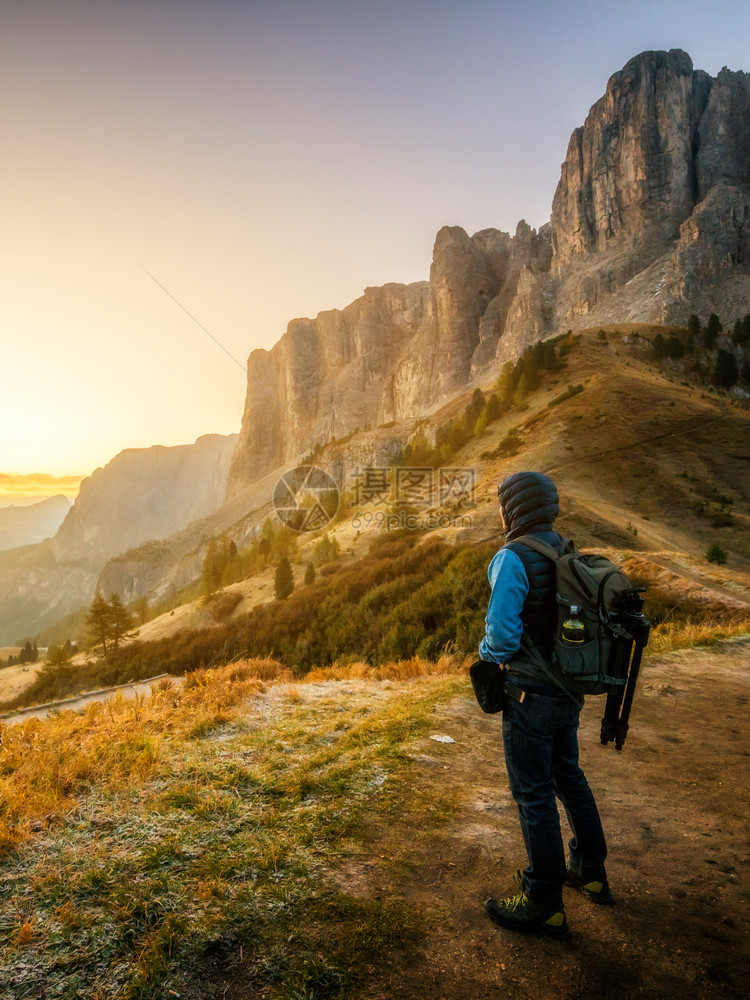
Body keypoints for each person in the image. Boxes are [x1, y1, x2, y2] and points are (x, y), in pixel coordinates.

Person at [479, 470, 612, 938]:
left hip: (529, 695)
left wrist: (485, 656)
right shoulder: (565, 550)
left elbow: (501, 635)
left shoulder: (511, 557)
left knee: (533, 793)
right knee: (569, 778)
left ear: (514, 509)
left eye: (502, 505)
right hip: (567, 692)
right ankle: (590, 871)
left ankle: (543, 900)